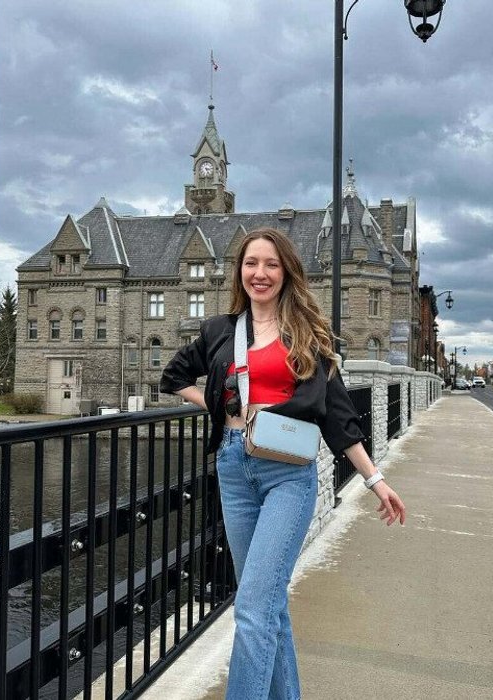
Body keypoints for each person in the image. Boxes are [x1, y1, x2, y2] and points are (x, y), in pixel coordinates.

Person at [161, 227, 405, 700]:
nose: (260, 273)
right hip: (233, 467)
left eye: (271, 264)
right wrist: (218, 406)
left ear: (286, 271)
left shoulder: (309, 335)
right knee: (269, 606)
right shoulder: (218, 331)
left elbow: (338, 417)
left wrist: (376, 480)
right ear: (240, 271)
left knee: (252, 605)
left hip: (288, 474)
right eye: (251, 263)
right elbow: (174, 377)